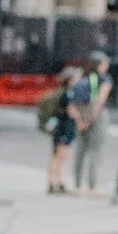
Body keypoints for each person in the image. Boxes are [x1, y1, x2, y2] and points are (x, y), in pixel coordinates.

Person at [72, 54, 113, 192]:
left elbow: (73, 101)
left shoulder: (83, 78)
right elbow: (99, 100)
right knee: (95, 151)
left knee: (80, 151)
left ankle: (77, 184)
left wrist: (80, 119)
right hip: (96, 116)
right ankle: (92, 185)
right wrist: (90, 119)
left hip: (80, 113)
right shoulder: (103, 79)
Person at [45, 63, 82, 194]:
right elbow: (71, 111)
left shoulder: (62, 92)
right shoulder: (69, 94)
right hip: (65, 127)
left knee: (57, 155)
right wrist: (81, 119)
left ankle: (56, 181)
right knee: (60, 156)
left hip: (59, 127)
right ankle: (55, 182)